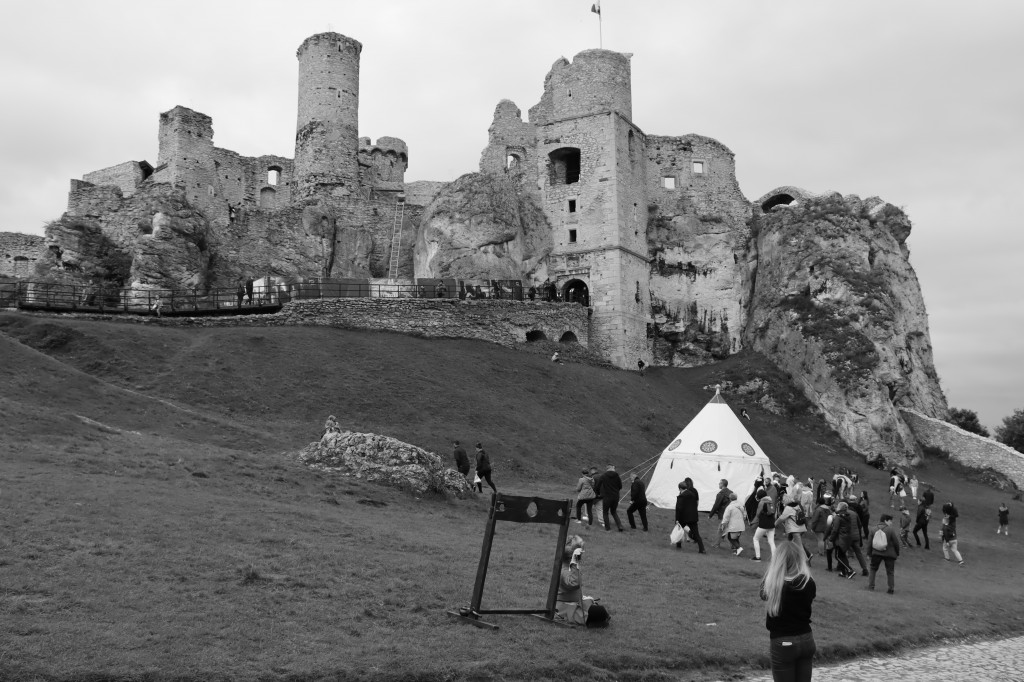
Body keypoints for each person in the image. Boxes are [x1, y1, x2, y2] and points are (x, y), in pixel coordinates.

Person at [760, 540, 817, 682]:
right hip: (806, 639)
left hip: (783, 641)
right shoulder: (808, 582)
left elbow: (763, 593)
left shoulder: (774, 584)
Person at [555, 535, 610, 627]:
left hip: (573, 602)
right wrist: (574, 563)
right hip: (565, 607)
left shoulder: (567, 567)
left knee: (599, 609)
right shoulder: (564, 571)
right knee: (599, 612)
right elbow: (574, 583)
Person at [867, 513, 901, 594]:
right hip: (889, 554)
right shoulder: (890, 530)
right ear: (885, 520)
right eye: (890, 521)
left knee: (873, 569)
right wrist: (897, 552)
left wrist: (869, 553)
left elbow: (869, 543)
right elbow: (896, 542)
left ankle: (871, 585)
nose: (891, 522)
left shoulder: (873, 529)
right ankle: (891, 588)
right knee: (890, 571)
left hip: (876, 552)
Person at [674, 478, 705, 553]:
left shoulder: (681, 496)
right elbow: (696, 505)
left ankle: (679, 545)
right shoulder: (693, 495)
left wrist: (677, 519)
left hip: (683, 517)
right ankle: (702, 549)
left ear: (680, 488)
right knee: (697, 534)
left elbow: (678, 509)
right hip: (693, 517)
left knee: (679, 529)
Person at [776, 496, 811, 561]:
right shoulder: (798, 506)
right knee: (793, 544)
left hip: (795, 529)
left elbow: (782, 518)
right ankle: (793, 558)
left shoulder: (788, 508)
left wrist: (774, 524)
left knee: (799, 546)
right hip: (801, 527)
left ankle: (805, 560)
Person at [594, 465, 624, 532]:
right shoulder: (617, 476)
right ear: (612, 468)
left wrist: (598, 493)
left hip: (607, 497)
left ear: (607, 469)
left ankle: (608, 528)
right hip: (615, 496)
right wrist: (615, 490)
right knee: (613, 512)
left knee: (605, 512)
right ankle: (620, 526)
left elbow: (597, 486)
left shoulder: (603, 476)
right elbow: (620, 486)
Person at [750, 488, 777, 562]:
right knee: (771, 541)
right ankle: (775, 558)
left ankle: (758, 557)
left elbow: (758, 513)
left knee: (755, 539)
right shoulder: (770, 500)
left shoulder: (762, 502)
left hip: (763, 524)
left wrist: (754, 521)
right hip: (772, 523)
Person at [709, 479, 733, 547]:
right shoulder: (731, 492)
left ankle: (717, 544)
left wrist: (710, 515)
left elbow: (716, 505)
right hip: (731, 513)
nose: (718, 484)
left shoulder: (721, 494)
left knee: (721, 529)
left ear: (722, 484)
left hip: (724, 514)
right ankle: (733, 546)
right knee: (726, 529)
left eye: (719, 483)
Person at [941, 502, 964, 566]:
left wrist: (947, 541)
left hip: (949, 539)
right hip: (955, 539)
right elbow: (953, 517)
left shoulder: (946, 526)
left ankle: (947, 558)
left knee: (944, 548)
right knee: (955, 550)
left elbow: (945, 533)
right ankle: (961, 561)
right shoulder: (953, 524)